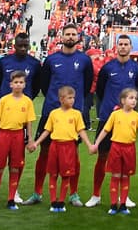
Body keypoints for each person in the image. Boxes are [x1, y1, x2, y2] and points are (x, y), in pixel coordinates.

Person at [29, 24, 93, 206]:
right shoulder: (51, 59)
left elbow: (87, 85)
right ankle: (37, 192)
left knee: (73, 156)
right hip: (51, 111)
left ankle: (73, 194)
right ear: (61, 36)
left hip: (74, 113)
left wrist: (75, 103)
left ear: (78, 37)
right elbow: (44, 84)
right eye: (67, 34)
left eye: (74, 34)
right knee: (44, 153)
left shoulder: (84, 60)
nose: (70, 37)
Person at [87, 34, 138, 208]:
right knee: (102, 156)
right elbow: (100, 90)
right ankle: (95, 195)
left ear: (131, 47)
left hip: (127, 121)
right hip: (108, 117)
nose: (123, 47)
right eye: (120, 44)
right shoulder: (107, 68)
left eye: (126, 44)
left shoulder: (136, 69)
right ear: (116, 46)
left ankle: (124, 196)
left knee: (125, 160)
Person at [90, 87, 138, 215]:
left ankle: (123, 204)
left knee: (125, 176)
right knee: (115, 176)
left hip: (129, 149)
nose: (134, 101)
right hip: (116, 148)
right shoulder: (115, 115)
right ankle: (114, 204)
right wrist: (96, 144)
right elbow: (105, 130)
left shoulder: (137, 116)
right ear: (123, 100)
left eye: (135, 99)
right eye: (131, 98)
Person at [28, 85, 91, 213]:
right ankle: (53, 201)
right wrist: (36, 142)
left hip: (69, 147)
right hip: (55, 146)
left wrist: (89, 145)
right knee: (53, 174)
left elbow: (81, 131)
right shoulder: (54, 113)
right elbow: (47, 131)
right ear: (61, 99)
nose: (72, 100)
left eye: (73, 97)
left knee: (66, 175)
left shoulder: (77, 114)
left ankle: (61, 201)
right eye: (69, 98)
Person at [0, 70, 37, 211]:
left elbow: (29, 123)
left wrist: (31, 140)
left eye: (21, 82)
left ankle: (11, 199)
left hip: (18, 136)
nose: (18, 85)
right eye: (16, 82)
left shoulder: (27, 101)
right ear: (10, 84)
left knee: (15, 167)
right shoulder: (4, 100)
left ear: (25, 84)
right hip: (3, 135)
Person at [0, 33, 41, 103]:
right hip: (5, 105)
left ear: (29, 46)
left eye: (25, 46)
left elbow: (36, 86)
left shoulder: (35, 64)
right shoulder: (3, 61)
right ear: (15, 46)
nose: (23, 48)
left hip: (24, 106)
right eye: (20, 46)